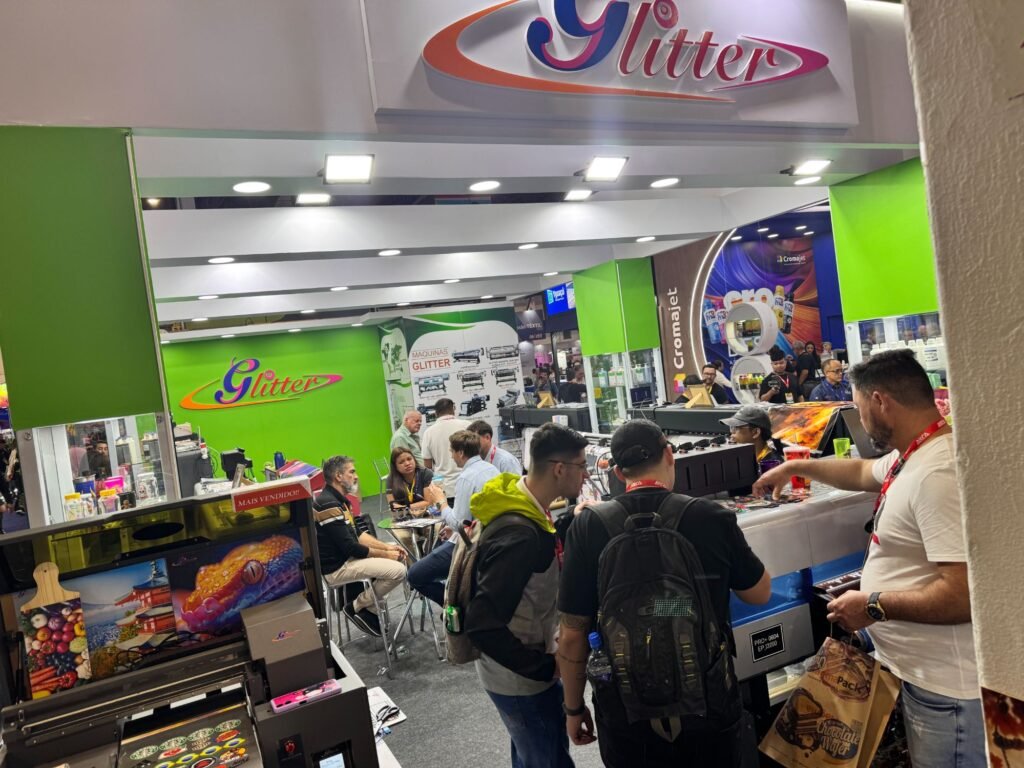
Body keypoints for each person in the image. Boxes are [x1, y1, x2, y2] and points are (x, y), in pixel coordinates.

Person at [753, 349, 983, 768]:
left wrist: (872, 606)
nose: (859, 419)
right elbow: (862, 472)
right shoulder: (913, 454)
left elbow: (963, 594)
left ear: (880, 401)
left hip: (946, 687)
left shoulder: (937, 474)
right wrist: (795, 469)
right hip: (921, 675)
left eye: (860, 408)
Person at [558, 420, 771, 766]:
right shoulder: (711, 516)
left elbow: (571, 635)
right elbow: (759, 594)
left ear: (617, 472)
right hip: (708, 704)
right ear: (670, 455)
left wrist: (573, 708)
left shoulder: (587, 526)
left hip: (625, 710)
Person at [466, 423, 590, 768]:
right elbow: (482, 624)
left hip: (519, 671)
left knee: (530, 756)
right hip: (520, 680)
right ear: (559, 469)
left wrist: (567, 522)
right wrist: (546, 668)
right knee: (547, 759)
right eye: (582, 466)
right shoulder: (521, 536)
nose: (586, 474)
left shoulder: (518, 501)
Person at [315, 456, 408, 638]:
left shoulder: (340, 501)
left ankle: (369, 607)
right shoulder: (328, 505)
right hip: (338, 568)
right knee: (398, 571)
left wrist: (388, 549)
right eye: (352, 472)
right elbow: (351, 548)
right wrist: (386, 555)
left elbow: (359, 535)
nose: (356, 476)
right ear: (338, 476)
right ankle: (357, 606)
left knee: (396, 551)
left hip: (348, 558)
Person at [407, 430, 499, 606]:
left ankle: (457, 607)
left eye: (452, 451)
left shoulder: (466, 477)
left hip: (473, 545)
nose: (451, 455)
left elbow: (460, 524)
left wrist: (441, 501)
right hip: (490, 537)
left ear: (461, 453)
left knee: (415, 575)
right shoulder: (491, 469)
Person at [421, 397, 471, 505]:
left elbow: (427, 466)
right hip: (469, 485)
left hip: (444, 489)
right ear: (453, 409)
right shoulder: (467, 426)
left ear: (436, 413)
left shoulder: (428, 433)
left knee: (447, 515)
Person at [721, 405, 784, 471]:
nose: (731, 434)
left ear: (756, 432)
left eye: (735, 428)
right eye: (731, 427)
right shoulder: (741, 460)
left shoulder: (773, 467)